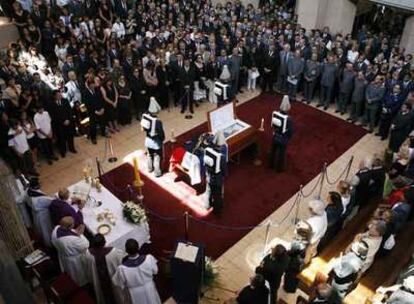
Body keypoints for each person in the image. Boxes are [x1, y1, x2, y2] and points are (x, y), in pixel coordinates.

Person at [112, 239, 161, 304]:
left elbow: (117, 282)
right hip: (149, 289)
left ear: (126, 251)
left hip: (135, 294)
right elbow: (155, 271)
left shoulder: (122, 269)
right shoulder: (149, 259)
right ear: (138, 248)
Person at [85, 234, 125, 304]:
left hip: (99, 280)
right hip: (112, 278)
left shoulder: (88, 254)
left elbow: (88, 266)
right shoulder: (114, 252)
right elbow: (121, 259)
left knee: (102, 294)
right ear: (104, 242)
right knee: (117, 294)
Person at [51, 216, 89, 286]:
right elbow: (86, 245)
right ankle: (82, 286)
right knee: (79, 275)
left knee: (70, 273)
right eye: (73, 224)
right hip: (75, 260)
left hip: (64, 256)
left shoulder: (55, 230)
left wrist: (75, 231)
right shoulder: (70, 239)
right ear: (70, 226)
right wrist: (80, 234)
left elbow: (53, 242)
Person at [204, 131, 227, 215]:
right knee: (217, 195)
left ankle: (207, 205)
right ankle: (217, 211)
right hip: (218, 180)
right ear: (221, 146)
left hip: (209, 176)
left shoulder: (208, 150)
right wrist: (225, 176)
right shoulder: (222, 157)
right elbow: (224, 170)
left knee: (208, 191)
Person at [48, 90, 77, 158]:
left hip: (68, 122)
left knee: (70, 136)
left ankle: (72, 148)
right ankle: (63, 151)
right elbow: (53, 116)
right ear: (54, 96)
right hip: (59, 125)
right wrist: (62, 122)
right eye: (57, 95)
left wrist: (68, 119)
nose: (59, 96)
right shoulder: (51, 104)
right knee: (61, 139)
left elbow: (69, 111)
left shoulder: (65, 101)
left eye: (60, 94)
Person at [141, 97, 165, 177]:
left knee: (149, 155)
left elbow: (143, 128)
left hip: (148, 140)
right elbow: (161, 133)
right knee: (157, 156)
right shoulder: (158, 122)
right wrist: (162, 139)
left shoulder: (145, 117)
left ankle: (149, 168)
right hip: (156, 142)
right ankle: (157, 172)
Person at [269, 95, 293, 172]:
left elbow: (273, 125)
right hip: (283, 138)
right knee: (281, 154)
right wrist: (288, 137)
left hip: (275, 135)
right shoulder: (288, 119)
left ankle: (271, 164)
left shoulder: (276, 114)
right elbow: (290, 131)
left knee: (273, 150)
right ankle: (279, 168)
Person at [304, 199, 328, 264]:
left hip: (312, 240)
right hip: (319, 236)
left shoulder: (311, 223)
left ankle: (305, 264)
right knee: (313, 249)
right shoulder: (324, 213)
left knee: (308, 254)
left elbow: (306, 235)